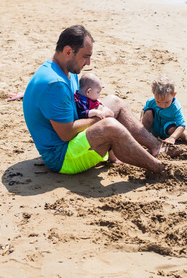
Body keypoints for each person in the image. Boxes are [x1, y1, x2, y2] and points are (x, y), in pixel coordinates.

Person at [23, 25, 175, 175]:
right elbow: (66, 133)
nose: (88, 63)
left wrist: (99, 110)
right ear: (68, 52)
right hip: (63, 158)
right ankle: (159, 168)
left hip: (72, 138)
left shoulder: (67, 69)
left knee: (114, 102)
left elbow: (75, 104)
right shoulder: (54, 84)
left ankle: (157, 146)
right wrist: (99, 119)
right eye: (85, 56)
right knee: (109, 124)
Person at [141, 75, 187, 145]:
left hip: (168, 129)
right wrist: (141, 120)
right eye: (158, 101)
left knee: (172, 129)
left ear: (174, 95)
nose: (162, 105)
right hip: (155, 127)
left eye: (166, 102)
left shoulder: (175, 107)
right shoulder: (151, 101)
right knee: (148, 112)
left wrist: (173, 138)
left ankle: (184, 137)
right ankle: (144, 134)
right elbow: (143, 110)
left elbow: (181, 125)